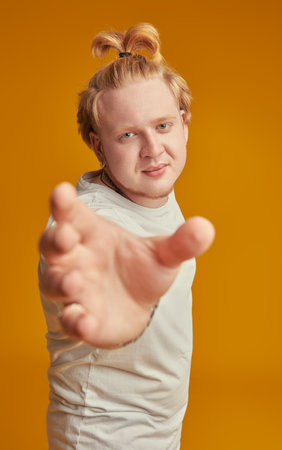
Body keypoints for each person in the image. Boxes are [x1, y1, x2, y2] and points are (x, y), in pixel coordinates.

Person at [38, 23, 215, 449]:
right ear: (99, 147)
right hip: (101, 437)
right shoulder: (88, 222)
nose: (153, 149)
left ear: (185, 124)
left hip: (160, 431)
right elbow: (89, 252)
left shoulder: (154, 192)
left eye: (163, 125)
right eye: (128, 135)